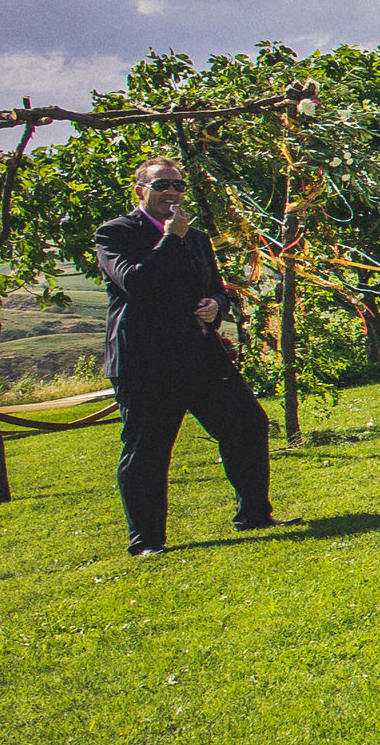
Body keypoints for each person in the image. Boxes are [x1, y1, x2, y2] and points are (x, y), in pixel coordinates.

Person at [94, 156, 275, 554]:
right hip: (146, 362)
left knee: (247, 424)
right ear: (141, 190)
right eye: (162, 185)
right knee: (148, 450)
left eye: (178, 185)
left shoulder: (196, 237)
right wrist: (170, 239)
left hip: (198, 353)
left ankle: (254, 514)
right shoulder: (116, 233)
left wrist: (214, 306)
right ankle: (147, 541)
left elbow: (216, 288)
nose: (172, 193)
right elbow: (136, 282)